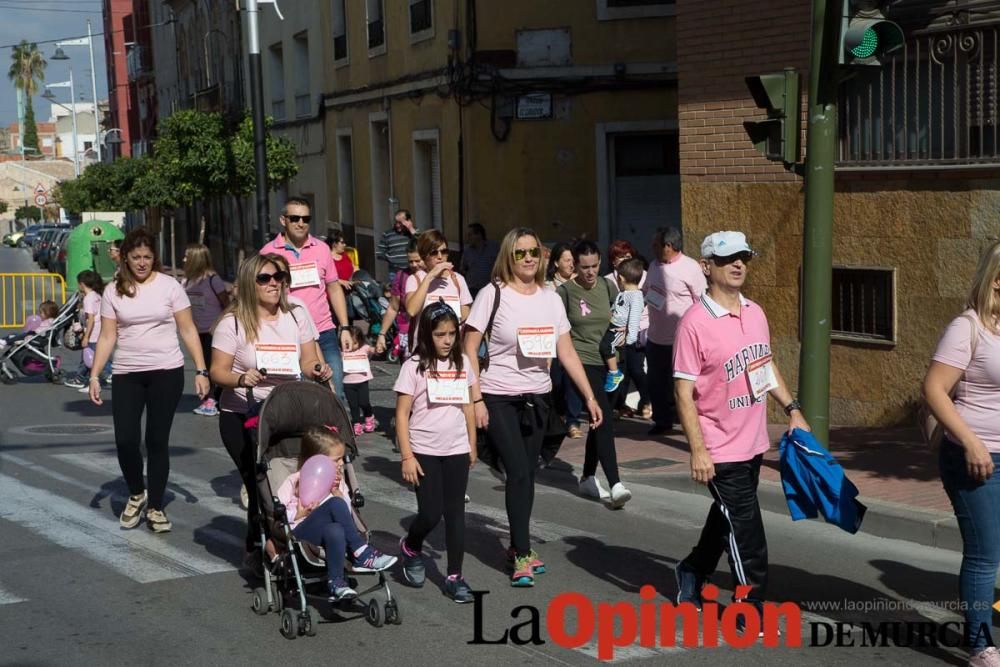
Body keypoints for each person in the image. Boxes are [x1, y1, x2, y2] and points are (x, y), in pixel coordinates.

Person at [672, 230, 808, 625]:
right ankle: (749, 607)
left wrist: (792, 407)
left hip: (752, 442)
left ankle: (692, 571)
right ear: (706, 267)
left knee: (727, 517)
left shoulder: (756, 312)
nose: (738, 265)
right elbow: (683, 393)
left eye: (744, 258)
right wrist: (698, 449)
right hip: (718, 445)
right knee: (748, 531)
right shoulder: (694, 324)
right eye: (729, 258)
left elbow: (763, 366)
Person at [464, 227, 601, 587]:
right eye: (520, 253)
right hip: (498, 396)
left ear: (543, 258)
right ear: (508, 256)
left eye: (533, 253)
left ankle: (516, 544)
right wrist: (475, 398)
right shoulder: (492, 295)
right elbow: (468, 350)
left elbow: (566, 352)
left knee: (527, 474)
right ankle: (522, 552)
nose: (527, 259)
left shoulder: (551, 298)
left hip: (538, 398)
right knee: (519, 472)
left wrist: (589, 396)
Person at [210, 253, 332, 570]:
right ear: (251, 284)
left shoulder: (295, 316)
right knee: (257, 481)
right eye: (264, 278)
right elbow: (217, 371)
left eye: (277, 277)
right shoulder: (233, 322)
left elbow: (306, 360)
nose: (273, 283)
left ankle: (292, 543)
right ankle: (259, 547)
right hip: (243, 413)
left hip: (286, 411)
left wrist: (317, 368)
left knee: (287, 480)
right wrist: (240, 378)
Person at [89, 227, 211, 533]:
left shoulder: (169, 286)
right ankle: (136, 493)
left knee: (156, 440)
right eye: (136, 257)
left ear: (154, 257)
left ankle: (156, 507)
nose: (142, 262)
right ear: (125, 259)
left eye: (147, 257)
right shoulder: (113, 290)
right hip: (127, 373)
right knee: (126, 441)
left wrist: (201, 369)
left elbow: (187, 329)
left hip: (166, 372)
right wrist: (94, 375)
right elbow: (107, 335)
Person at [923, 241, 1000, 665]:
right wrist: (970, 441)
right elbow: (934, 389)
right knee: (985, 553)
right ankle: (980, 646)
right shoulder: (967, 327)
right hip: (975, 457)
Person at [395, 303, 478, 602]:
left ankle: (455, 576)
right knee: (430, 513)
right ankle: (411, 546)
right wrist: (407, 455)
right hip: (424, 450)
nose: (447, 340)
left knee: (456, 513)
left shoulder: (463, 364)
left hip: (456, 448)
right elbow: (402, 414)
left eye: (452, 334)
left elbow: (468, 406)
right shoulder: (413, 367)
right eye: (440, 334)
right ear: (427, 335)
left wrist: (472, 443)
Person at [276, 426, 397, 601]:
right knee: (334, 505)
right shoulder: (294, 480)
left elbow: (346, 514)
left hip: (329, 533)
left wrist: (338, 493)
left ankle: (336, 582)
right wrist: (299, 513)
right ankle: (362, 553)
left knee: (335, 529)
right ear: (316, 461)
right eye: (336, 459)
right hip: (301, 532)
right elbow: (278, 513)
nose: (341, 464)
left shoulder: (337, 483)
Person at [557, 240, 632, 509]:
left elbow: (617, 318)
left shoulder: (607, 286)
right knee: (605, 421)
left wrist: (623, 332)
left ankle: (588, 476)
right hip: (581, 362)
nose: (590, 272)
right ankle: (615, 483)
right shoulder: (565, 292)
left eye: (594, 266)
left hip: (609, 362)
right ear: (575, 266)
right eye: (584, 267)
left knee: (598, 421)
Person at [261, 198, 354, 400]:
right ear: (283, 220)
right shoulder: (268, 252)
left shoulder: (321, 249)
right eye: (294, 218)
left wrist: (345, 327)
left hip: (324, 332)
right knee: (298, 398)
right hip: (287, 334)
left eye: (306, 218)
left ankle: (335, 431)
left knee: (334, 393)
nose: (300, 223)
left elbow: (334, 288)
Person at [644, 226, 706, 436]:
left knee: (686, 385)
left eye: (655, 245)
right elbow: (647, 292)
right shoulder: (654, 265)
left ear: (668, 246)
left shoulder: (691, 268)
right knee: (656, 382)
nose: (651, 248)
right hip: (655, 337)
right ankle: (662, 421)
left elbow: (702, 301)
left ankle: (695, 422)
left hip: (682, 339)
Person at [181, 243, 230, 416]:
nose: (184, 259)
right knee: (202, 366)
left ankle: (214, 400)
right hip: (195, 332)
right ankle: (208, 398)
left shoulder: (212, 280)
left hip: (213, 331)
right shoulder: (186, 281)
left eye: (187, 256)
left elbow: (227, 304)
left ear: (196, 258)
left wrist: (220, 324)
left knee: (213, 366)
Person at [404, 230, 473, 337]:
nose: (440, 257)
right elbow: (412, 310)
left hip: (452, 348)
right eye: (434, 253)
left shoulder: (458, 280)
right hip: (424, 349)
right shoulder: (415, 279)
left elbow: (464, 319)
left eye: (444, 251)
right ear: (424, 255)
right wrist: (430, 277)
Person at [601, 258, 648, 402]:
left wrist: (629, 339)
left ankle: (614, 373)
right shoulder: (624, 294)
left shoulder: (636, 297)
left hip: (620, 331)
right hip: (614, 326)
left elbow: (634, 319)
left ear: (621, 278)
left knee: (605, 346)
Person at [376, 239, 423, 360]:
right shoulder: (402, 276)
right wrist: (382, 333)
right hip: (407, 336)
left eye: (417, 260)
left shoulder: (433, 276)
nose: (413, 265)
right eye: (410, 261)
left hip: (429, 335)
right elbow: (393, 307)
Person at [65, 271, 112, 390]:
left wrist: (86, 336)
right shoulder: (97, 295)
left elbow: (90, 319)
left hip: (93, 333)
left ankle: (106, 375)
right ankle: (81, 378)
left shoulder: (88, 299)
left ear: (82, 284)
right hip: (99, 330)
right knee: (90, 357)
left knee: (93, 357)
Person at [341, 325, 375, 436]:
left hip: (362, 381)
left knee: (364, 402)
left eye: (355, 343)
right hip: (348, 382)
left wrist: (377, 349)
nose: (352, 346)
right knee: (353, 405)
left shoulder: (364, 348)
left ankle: (369, 417)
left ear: (360, 341)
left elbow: (372, 350)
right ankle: (356, 423)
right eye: (348, 343)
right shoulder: (342, 352)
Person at [376, 208, 417, 284]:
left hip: (412, 270)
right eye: (396, 222)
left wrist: (411, 229)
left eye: (400, 223)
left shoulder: (414, 233)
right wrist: (391, 259)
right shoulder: (387, 234)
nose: (397, 225)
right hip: (395, 272)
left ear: (408, 221)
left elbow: (422, 243)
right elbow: (379, 253)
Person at [459, 223, 499, 297]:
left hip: (489, 289)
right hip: (472, 290)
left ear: (479, 234)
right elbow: (462, 269)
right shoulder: (467, 251)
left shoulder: (494, 247)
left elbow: (501, 266)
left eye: (470, 235)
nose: (467, 238)